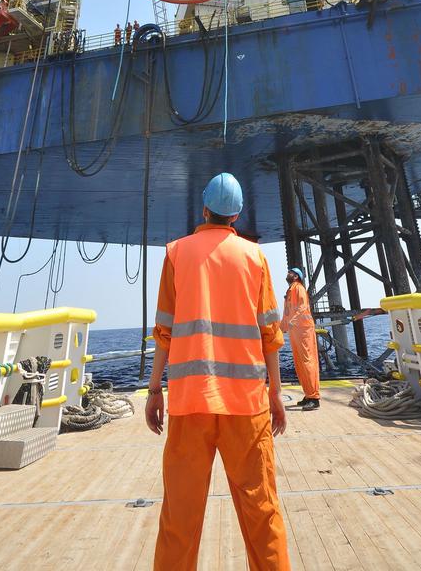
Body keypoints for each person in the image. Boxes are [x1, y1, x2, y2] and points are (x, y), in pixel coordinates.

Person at [146, 172, 291, 571]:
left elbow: (165, 331)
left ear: (204, 209)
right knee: (262, 514)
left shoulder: (176, 253)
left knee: (179, 517)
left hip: (190, 405)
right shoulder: (255, 257)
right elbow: (270, 334)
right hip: (246, 408)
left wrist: (155, 390)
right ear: (237, 216)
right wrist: (276, 393)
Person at [281, 268, 320, 410]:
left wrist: (293, 321)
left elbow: (302, 307)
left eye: (290, 272)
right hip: (295, 331)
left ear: (296, 276)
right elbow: (287, 313)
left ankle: (314, 397)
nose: (288, 273)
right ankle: (308, 394)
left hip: (303, 330)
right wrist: (280, 328)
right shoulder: (290, 291)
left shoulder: (299, 288)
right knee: (299, 364)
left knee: (307, 361)